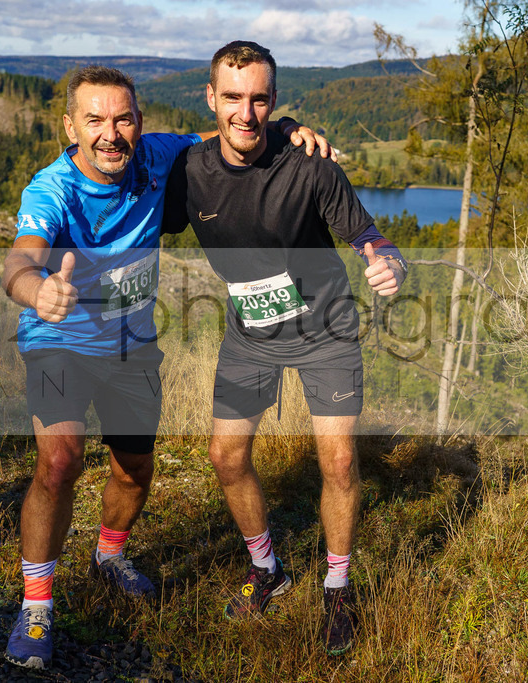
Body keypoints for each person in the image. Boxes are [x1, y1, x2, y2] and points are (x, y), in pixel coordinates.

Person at [0, 64, 331, 671]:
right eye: (94, 120)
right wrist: (33, 289)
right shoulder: (51, 190)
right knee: (60, 461)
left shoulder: (158, 156)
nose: (110, 133)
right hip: (59, 340)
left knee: (133, 470)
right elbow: (20, 259)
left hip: (132, 349)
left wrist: (286, 128)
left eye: (122, 118)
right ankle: (37, 605)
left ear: (139, 122)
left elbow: (233, 136)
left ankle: (110, 554)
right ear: (70, 125)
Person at [164, 41, 408, 656]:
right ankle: (268, 567)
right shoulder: (189, 172)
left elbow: (368, 234)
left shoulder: (309, 165)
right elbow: (127, 188)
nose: (246, 113)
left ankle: (337, 585)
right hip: (252, 334)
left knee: (341, 463)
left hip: (326, 329)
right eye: (233, 98)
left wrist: (389, 264)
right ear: (211, 99)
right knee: (225, 456)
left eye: (260, 100)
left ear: (274, 102)